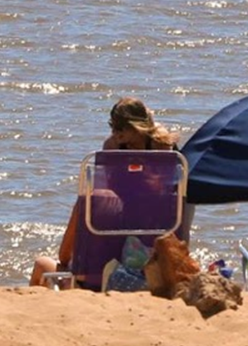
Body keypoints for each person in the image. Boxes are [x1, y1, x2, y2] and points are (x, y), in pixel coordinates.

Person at [31, 97, 183, 287]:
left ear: (136, 126)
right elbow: (173, 189)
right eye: (113, 127)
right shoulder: (163, 148)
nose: (115, 133)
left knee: (43, 262)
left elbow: (64, 255)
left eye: (120, 128)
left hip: (98, 273)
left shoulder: (114, 154)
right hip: (149, 237)